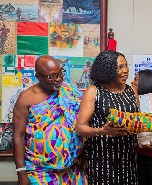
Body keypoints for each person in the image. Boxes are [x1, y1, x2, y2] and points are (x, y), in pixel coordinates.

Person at [12, 55, 87, 185]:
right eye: (52, 76)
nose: (58, 79)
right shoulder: (26, 98)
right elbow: (18, 135)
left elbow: (84, 117)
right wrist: (21, 172)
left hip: (72, 169)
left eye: (60, 73)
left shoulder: (69, 90)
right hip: (40, 172)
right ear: (38, 77)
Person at [75, 50, 139, 185]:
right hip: (102, 160)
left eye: (126, 66)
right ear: (107, 69)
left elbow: (137, 121)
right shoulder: (94, 91)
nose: (126, 70)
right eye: (120, 67)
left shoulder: (131, 91)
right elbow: (80, 128)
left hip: (128, 159)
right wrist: (102, 131)